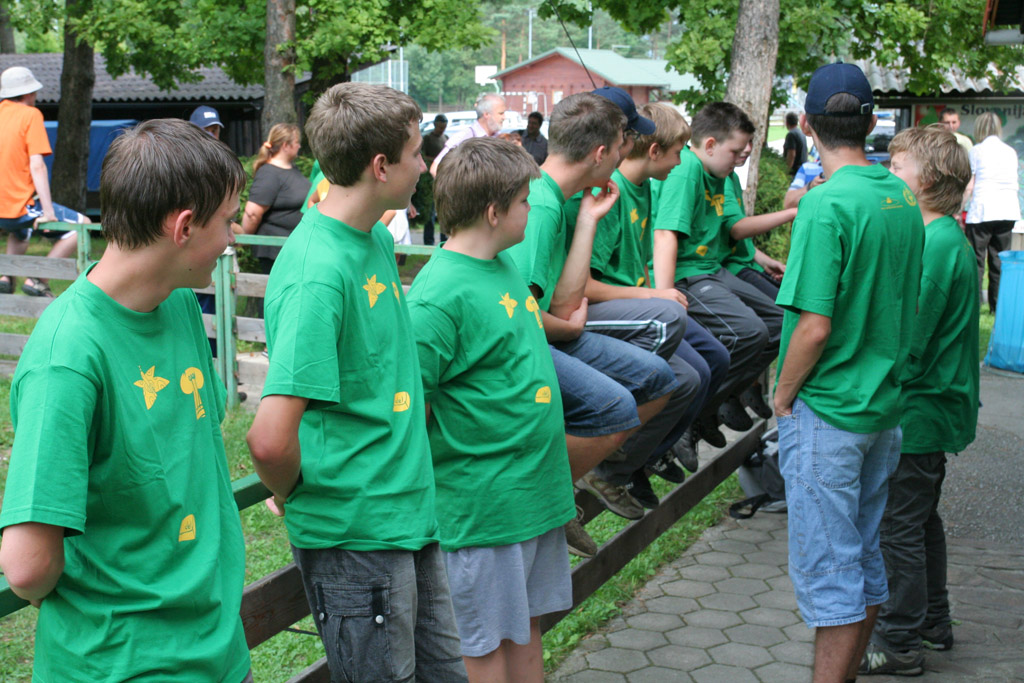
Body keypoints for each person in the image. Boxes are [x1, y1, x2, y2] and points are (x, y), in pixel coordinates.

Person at [0, 118, 251, 681]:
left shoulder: (176, 300)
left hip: (216, 650)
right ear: (184, 226)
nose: (232, 238)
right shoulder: (67, 357)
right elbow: (27, 565)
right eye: (226, 220)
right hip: (124, 665)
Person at [246, 83, 466, 681]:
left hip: (409, 514)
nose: (425, 166)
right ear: (381, 166)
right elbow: (268, 440)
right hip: (356, 534)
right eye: (417, 153)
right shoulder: (316, 274)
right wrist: (296, 491)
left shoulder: (372, 238)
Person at [772, 62, 925, 683]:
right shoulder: (902, 196)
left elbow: (813, 326)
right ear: (870, 123)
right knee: (862, 556)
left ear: (808, 126)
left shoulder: (824, 203)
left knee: (832, 572)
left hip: (830, 410)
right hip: (882, 409)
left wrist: (783, 396)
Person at [407, 137, 574, 682]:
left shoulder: (501, 264)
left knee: (525, 630)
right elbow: (412, 412)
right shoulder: (434, 299)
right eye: (525, 201)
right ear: (494, 211)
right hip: (484, 512)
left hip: (531, 497)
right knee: (483, 647)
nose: (532, 209)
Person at [503, 92, 679, 553]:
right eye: (622, 146)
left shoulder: (560, 198)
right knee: (615, 406)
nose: (624, 156)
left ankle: (557, 482)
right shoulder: (541, 206)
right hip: (522, 345)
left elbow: (562, 301)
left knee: (660, 379)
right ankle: (546, 495)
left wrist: (587, 219)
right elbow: (519, 316)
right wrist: (570, 330)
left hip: (550, 331)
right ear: (601, 153)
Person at [562, 99, 726, 504]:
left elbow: (642, 262)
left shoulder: (646, 188)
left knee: (703, 367)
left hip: (632, 306)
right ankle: (612, 455)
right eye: (677, 153)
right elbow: (586, 286)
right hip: (599, 312)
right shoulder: (608, 194)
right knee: (676, 362)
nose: (681, 162)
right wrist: (654, 294)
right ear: (652, 150)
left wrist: (654, 290)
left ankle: (639, 456)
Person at [859, 124, 979, 676]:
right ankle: (933, 620)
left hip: (920, 409)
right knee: (921, 519)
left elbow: (913, 337)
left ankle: (900, 641)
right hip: (933, 407)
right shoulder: (945, 236)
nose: (888, 173)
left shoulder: (936, 244)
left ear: (926, 181)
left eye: (897, 166)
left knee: (898, 528)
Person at [651, 101, 790, 441]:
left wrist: (758, 257)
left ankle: (715, 402)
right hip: (687, 274)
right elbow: (666, 233)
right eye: (736, 151)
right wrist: (665, 300)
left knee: (781, 322)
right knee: (751, 332)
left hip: (710, 269)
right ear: (710, 145)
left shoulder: (717, 174)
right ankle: (691, 415)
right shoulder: (687, 170)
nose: (742, 157)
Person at [0, 65, 85, 298]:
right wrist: (48, 212)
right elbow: (37, 165)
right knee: (81, 226)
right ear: (28, 93)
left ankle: (6, 276)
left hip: (3, 208)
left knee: (20, 232)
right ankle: (38, 280)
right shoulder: (30, 115)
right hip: (19, 205)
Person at [963, 111, 1020, 313]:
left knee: (976, 260)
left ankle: (976, 304)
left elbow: (970, 185)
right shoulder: (1010, 151)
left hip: (982, 211)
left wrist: (958, 209)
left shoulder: (976, 151)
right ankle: (997, 306)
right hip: (1007, 210)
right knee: (999, 261)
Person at [241, 123, 311, 276]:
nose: (299, 146)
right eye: (297, 142)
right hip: (275, 251)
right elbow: (252, 213)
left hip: (293, 247)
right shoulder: (269, 173)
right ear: (286, 145)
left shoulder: (292, 169)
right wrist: (244, 238)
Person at [430, 93, 507, 175]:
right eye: (501, 113)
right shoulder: (464, 137)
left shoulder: (500, 137)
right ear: (486, 114)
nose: (504, 117)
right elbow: (435, 169)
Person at [419, 113, 449, 245]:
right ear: (435, 125)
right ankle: (428, 241)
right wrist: (437, 159)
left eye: (444, 127)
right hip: (430, 179)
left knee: (443, 211)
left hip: (442, 178)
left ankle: (445, 240)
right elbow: (423, 156)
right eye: (440, 127)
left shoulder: (446, 138)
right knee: (430, 213)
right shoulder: (427, 139)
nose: (442, 130)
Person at [783, 111, 808, 175]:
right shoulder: (801, 133)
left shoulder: (791, 135)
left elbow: (791, 154)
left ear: (787, 123)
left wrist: (787, 171)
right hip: (803, 168)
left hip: (795, 171)